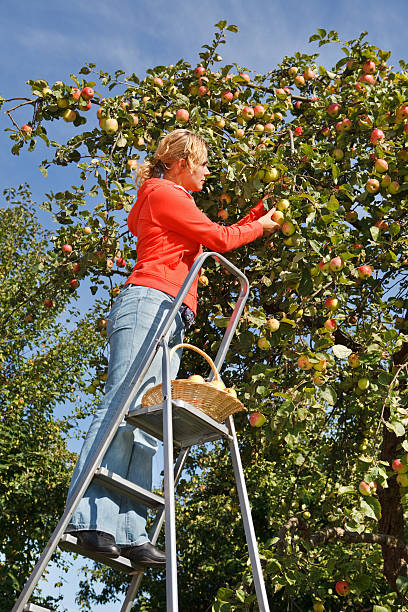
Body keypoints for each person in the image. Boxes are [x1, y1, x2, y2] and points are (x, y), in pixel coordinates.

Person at [65, 128, 280, 567]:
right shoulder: (162, 191)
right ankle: (87, 519)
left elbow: (212, 233)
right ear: (180, 161)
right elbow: (219, 239)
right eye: (201, 163)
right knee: (121, 406)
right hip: (148, 303)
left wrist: (259, 213)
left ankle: (129, 530)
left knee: (148, 418)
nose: (207, 170)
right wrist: (258, 226)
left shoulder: (175, 201)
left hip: (172, 312)